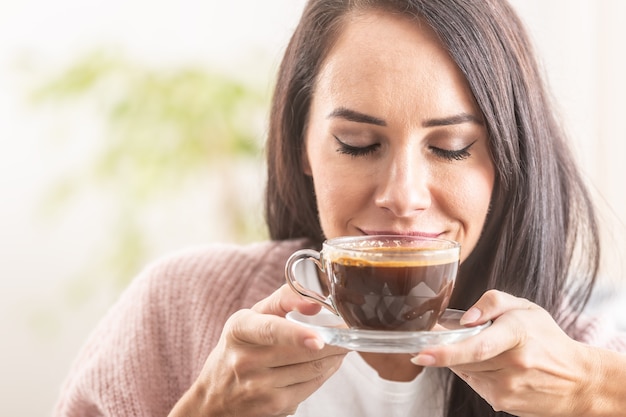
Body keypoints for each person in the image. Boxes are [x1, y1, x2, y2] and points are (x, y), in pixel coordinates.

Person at [53, 0, 626, 416]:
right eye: (358, 144)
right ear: (302, 145)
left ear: (506, 159)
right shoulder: (177, 310)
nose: (402, 195)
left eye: (451, 148)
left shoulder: (592, 346)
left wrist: (594, 389)